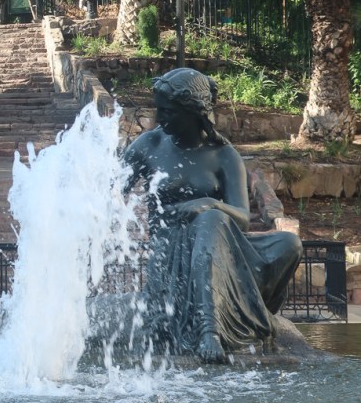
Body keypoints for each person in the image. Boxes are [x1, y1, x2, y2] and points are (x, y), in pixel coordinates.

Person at [123, 68, 302, 363]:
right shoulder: (149, 146)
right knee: (212, 219)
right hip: (172, 251)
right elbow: (107, 189)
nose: (159, 118)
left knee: (288, 245)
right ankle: (210, 329)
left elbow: (242, 219)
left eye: (167, 111)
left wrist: (208, 203)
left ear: (193, 112)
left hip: (221, 248)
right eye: (159, 109)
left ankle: (242, 310)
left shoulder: (224, 155)